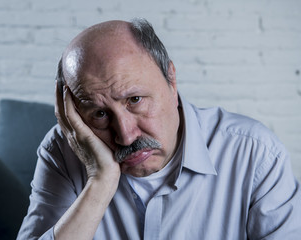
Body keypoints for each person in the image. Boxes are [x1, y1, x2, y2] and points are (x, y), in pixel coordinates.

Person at [17, 18, 301, 239]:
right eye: (100, 114)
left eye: (135, 100)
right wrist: (100, 182)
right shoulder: (61, 151)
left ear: (171, 80)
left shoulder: (254, 153)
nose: (126, 134)